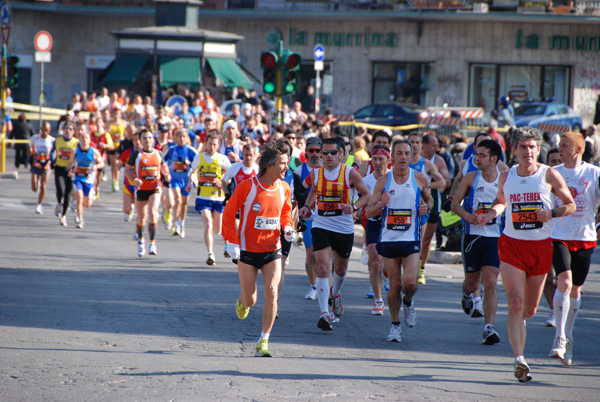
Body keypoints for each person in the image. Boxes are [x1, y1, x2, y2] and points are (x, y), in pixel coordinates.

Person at [479, 126, 575, 383]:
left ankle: (518, 329)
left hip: (540, 247)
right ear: (515, 149)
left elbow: (571, 204)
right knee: (516, 304)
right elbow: (501, 201)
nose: (528, 151)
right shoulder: (506, 176)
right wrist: (493, 212)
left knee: (529, 311)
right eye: (523, 147)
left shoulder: (549, 174)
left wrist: (552, 213)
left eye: (532, 147)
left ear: (538, 149)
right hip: (512, 246)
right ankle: (519, 360)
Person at [223, 141, 294, 357]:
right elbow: (228, 213)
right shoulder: (247, 187)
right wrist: (232, 241)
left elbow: (285, 212)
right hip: (247, 251)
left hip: (273, 249)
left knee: (272, 292)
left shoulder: (284, 188)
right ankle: (243, 300)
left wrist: (288, 227)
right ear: (270, 164)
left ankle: (263, 340)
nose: (286, 167)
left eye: (287, 163)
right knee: (250, 300)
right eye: (283, 163)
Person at [299, 138, 371, 331]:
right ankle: (324, 313)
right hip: (321, 225)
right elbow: (313, 191)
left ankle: (336, 293)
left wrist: (354, 206)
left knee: (339, 270)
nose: (328, 156)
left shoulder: (350, 173)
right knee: (322, 267)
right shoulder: (316, 173)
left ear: (340, 154)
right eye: (325, 153)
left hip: (344, 228)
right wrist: (307, 206)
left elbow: (367, 195)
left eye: (333, 153)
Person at [365, 140, 432, 342]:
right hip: (389, 238)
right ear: (392, 157)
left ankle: (408, 302)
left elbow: (430, 200)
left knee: (410, 283)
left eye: (406, 153)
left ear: (411, 156)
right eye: (399, 153)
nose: (403, 157)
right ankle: (395, 325)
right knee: (395, 284)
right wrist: (380, 204)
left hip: (410, 238)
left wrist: (426, 207)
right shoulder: (383, 181)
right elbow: (368, 211)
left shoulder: (419, 178)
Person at [548, 131, 600, 366]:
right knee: (565, 282)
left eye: (565, 145)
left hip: (585, 236)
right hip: (558, 235)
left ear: (578, 149)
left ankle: (568, 335)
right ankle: (558, 338)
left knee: (576, 290)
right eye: (560, 145)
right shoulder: (554, 174)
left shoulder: (593, 172)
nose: (560, 149)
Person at [451, 140, 507, 345]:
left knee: (490, 282)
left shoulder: (503, 179)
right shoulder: (471, 178)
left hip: (494, 238)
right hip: (472, 236)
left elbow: (506, 203)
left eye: (482, 155)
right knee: (473, 283)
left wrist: (493, 214)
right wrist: (467, 216)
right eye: (476, 154)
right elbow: (454, 204)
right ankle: (466, 293)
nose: (477, 158)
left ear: (494, 158)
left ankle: (489, 327)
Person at [186, 131, 231, 265]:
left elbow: (230, 176)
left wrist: (223, 182)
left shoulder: (222, 159)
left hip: (218, 198)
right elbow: (192, 173)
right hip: (203, 196)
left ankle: (226, 245)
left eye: (214, 145)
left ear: (218, 145)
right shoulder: (199, 158)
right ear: (206, 144)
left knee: (218, 229)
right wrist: (192, 181)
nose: (211, 147)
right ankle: (210, 254)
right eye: (209, 144)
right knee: (207, 223)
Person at [125, 127, 171, 257]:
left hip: (155, 187)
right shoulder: (136, 154)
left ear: (153, 139)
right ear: (140, 140)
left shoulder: (158, 154)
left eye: (150, 137)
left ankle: (152, 243)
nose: (147, 140)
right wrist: (134, 180)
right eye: (144, 138)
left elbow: (163, 167)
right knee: (141, 217)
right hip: (141, 189)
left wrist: (166, 174)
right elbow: (127, 169)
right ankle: (140, 241)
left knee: (153, 213)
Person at [407, 132, 446, 284]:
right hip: (407, 207)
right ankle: (410, 267)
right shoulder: (401, 162)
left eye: (417, 142)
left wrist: (425, 187)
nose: (415, 145)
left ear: (421, 145)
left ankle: (421, 268)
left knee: (425, 240)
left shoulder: (426, 164)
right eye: (412, 142)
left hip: (426, 206)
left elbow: (442, 182)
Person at [362, 145, 391, 315]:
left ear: (389, 160)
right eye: (375, 159)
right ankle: (378, 300)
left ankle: (388, 278)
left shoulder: (396, 178)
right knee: (375, 261)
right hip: (373, 223)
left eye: (381, 159)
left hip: (392, 225)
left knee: (389, 262)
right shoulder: (366, 181)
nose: (378, 163)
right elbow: (362, 205)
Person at [294, 137, 323, 300]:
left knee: (325, 255)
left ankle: (325, 284)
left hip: (327, 216)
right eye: (311, 150)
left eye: (318, 151)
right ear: (306, 152)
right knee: (311, 253)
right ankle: (313, 286)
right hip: (308, 216)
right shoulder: (299, 171)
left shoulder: (327, 169)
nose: (314, 154)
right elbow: (297, 195)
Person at [67, 124, 104, 229]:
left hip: (89, 179)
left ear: (89, 139)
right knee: (79, 196)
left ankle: (80, 211)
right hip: (78, 177)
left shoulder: (94, 152)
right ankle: (79, 219)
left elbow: (102, 163)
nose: (84, 140)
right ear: (80, 139)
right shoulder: (75, 151)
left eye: (86, 138)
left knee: (87, 203)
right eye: (82, 138)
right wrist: (70, 170)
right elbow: (70, 163)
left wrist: (96, 166)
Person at [163, 129, 198, 238]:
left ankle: (181, 223)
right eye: (180, 136)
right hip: (175, 179)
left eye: (184, 136)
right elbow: (163, 161)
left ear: (187, 138)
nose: (182, 139)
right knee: (177, 199)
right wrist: (166, 172)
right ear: (176, 138)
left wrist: (190, 164)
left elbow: (199, 163)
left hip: (187, 181)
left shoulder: (191, 150)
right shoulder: (171, 150)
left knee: (184, 204)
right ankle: (176, 224)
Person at [543, 148, 561, 327]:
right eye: (552, 161)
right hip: (546, 234)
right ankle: (553, 311)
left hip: (567, 235)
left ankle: (564, 309)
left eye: (558, 160)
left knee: (564, 277)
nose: (556, 164)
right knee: (548, 277)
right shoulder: (542, 180)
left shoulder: (569, 180)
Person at [53, 122, 79, 226]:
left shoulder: (76, 142)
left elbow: (78, 157)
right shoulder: (58, 141)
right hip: (59, 168)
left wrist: (74, 169)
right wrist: (51, 162)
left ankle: (63, 216)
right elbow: (52, 152)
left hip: (70, 170)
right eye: (66, 128)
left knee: (68, 194)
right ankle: (59, 202)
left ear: (74, 131)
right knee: (60, 189)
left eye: (71, 129)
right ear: (63, 130)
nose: (68, 131)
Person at [30, 122, 56, 214]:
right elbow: (30, 148)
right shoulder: (35, 138)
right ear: (41, 129)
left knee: (44, 186)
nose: (44, 132)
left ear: (49, 131)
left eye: (46, 131)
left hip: (46, 165)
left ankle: (39, 205)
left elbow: (55, 152)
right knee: (34, 187)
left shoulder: (52, 140)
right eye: (43, 130)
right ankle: (38, 184)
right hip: (36, 164)